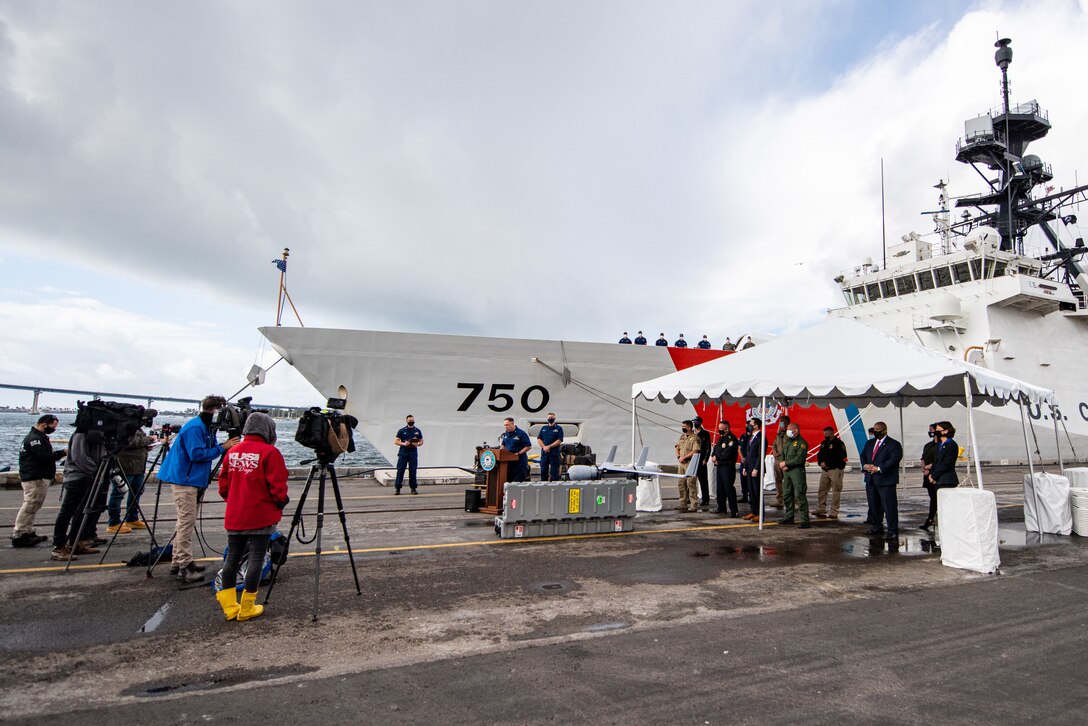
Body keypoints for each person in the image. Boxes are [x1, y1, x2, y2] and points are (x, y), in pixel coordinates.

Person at [215, 412, 289, 622]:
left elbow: (223, 484)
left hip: (236, 513)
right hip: (261, 513)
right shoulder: (270, 452)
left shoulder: (233, 452)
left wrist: (235, 500)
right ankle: (247, 606)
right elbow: (277, 485)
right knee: (257, 557)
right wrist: (280, 501)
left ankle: (230, 606)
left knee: (232, 557)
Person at [158, 395, 240, 582]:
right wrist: (223, 447)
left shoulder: (202, 426)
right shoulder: (196, 428)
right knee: (186, 522)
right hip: (185, 480)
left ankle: (178, 561)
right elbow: (197, 454)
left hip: (190, 479)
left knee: (184, 521)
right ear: (215, 411)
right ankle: (185, 567)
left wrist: (221, 446)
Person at [50, 430, 105, 561]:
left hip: (89, 477)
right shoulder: (81, 433)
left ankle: (75, 542)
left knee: (82, 511)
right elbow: (79, 457)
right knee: (67, 512)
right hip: (77, 477)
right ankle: (59, 547)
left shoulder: (99, 435)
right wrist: (96, 471)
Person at [13, 415, 65, 548]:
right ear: (44, 424)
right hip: (34, 477)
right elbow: (44, 457)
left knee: (34, 506)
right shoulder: (35, 439)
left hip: (36, 476)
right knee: (30, 505)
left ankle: (28, 531)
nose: (54, 429)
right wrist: (63, 452)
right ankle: (20, 534)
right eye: (52, 427)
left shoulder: (38, 437)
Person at [106, 425, 154, 533]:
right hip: (125, 467)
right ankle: (113, 522)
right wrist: (150, 439)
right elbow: (131, 442)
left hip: (138, 467)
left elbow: (138, 443)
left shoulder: (137, 428)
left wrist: (146, 446)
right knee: (118, 494)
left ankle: (132, 518)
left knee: (137, 492)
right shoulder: (124, 427)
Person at [860, 421, 903, 540]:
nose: (876, 432)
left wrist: (879, 468)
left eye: (878, 430)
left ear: (884, 430)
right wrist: (865, 466)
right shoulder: (870, 443)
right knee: (874, 505)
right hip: (871, 479)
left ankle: (892, 530)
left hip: (886, 480)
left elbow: (894, 459)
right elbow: (863, 455)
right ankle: (876, 526)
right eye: (874, 429)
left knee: (889, 506)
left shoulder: (893, 444)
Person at [922, 421, 959, 530]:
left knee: (947, 508)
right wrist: (932, 475)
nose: (935, 432)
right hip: (939, 480)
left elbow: (946, 464)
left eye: (938, 430)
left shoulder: (951, 445)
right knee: (939, 506)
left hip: (947, 480)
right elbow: (936, 462)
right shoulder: (940, 445)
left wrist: (934, 476)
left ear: (946, 431)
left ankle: (949, 531)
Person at [778, 423, 811, 528]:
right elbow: (782, 454)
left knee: (799, 494)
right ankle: (789, 517)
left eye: (789, 430)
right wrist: (782, 463)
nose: (787, 432)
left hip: (797, 471)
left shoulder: (802, 443)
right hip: (787, 472)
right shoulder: (788, 442)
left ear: (796, 430)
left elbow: (799, 459)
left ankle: (805, 520)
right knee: (787, 494)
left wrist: (786, 464)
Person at [813, 427, 847, 519]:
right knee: (822, 490)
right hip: (825, 470)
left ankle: (834, 511)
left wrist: (828, 464)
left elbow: (841, 457)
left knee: (836, 490)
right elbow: (819, 454)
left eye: (827, 435)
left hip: (835, 470)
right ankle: (821, 508)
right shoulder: (824, 443)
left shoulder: (839, 444)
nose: (825, 437)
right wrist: (821, 463)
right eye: (824, 435)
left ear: (832, 434)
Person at [711, 421, 740, 516]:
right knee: (720, 488)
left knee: (729, 489)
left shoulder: (731, 439)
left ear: (727, 429)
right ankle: (721, 507)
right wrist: (713, 455)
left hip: (727, 467)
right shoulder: (721, 438)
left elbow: (727, 453)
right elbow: (716, 449)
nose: (719, 430)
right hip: (719, 466)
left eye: (721, 429)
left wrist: (717, 458)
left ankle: (734, 510)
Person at [393, 414, 424, 495]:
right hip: (403, 452)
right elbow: (396, 441)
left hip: (413, 453)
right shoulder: (402, 430)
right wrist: (404, 443)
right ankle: (398, 488)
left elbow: (421, 441)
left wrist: (418, 444)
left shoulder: (417, 431)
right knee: (400, 470)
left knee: (413, 471)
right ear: (406, 421)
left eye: (412, 421)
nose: (411, 422)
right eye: (410, 421)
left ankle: (413, 488)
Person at [674, 420, 700, 513]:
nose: (683, 428)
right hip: (681, 463)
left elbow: (695, 451)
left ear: (689, 427)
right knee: (681, 483)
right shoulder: (682, 437)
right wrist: (678, 456)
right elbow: (677, 447)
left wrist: (684, 457)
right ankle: (682, 503)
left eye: (684, 426)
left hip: (690, 462)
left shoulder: (695, 438)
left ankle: (693, 504)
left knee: (691, 483)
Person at [742, 418, 765, 521]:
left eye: (751, 424)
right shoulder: (751, 437)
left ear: (756, 426)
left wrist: (756, 468)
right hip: (749, 468)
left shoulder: (761, 437)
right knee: (751, 491)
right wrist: (745, 467)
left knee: (757, 492)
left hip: (756, 469)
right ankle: (754, 511)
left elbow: (761, 455)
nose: (748, 426)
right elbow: (748, 454)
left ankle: (760, 514)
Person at [500, 417, 532, 482]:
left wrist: (519, 453)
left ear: (512, 424)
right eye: (505, 425)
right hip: (509, 460)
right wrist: (500, 451)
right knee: (509, 479)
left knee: (518, 479)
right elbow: (503, 444)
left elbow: (528, 446)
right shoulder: (506, 434)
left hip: (519, 460)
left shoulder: (521, 433)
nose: (506, 427)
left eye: (507, 425)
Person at [769, 416, 790, 509]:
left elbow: (790, 447)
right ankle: (780, 500)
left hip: (785, 460)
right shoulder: (780, 433)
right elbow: (774, 444)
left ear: (787, 422)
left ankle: (791, 501)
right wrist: (774, 451)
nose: (781, 423)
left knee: (788, 481)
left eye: (782, 422)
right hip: (777, 460)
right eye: (780, 422)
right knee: (778, 480)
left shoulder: (790, 434)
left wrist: (781, 454)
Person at [536, 413, 563, 481]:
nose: (550, 419)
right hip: (545, 453)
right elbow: (539, 439)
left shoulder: (558, 428)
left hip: (554, 454)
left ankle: (554, 487)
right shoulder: (544, 428)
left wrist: (549, 446)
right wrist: (544, 447)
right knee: (543, 471)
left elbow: (559, 440)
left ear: (554, 418)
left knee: (554, 472)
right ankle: (543, 486)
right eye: (549, 417)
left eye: (551, 417)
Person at [692, 417, 711, 507]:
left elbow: (708, 447)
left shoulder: (705, 434)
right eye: (694, 422)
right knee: (691, 480)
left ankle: (705, 499)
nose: (695, 423)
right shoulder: (692, 433)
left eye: (696, 422)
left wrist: (706, 459)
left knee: (703, 481)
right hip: (692, 459)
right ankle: (691, 498)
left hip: (701, 459)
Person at [736, 423, 752, 505]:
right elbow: (739, 448)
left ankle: (751, 497)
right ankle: (744, 496)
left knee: (750, 479)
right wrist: (742, 457)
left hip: (750, 461)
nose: (747, 427)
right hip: (744, 461)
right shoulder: (743, 436)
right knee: (743, 479)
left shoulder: (753, 437)